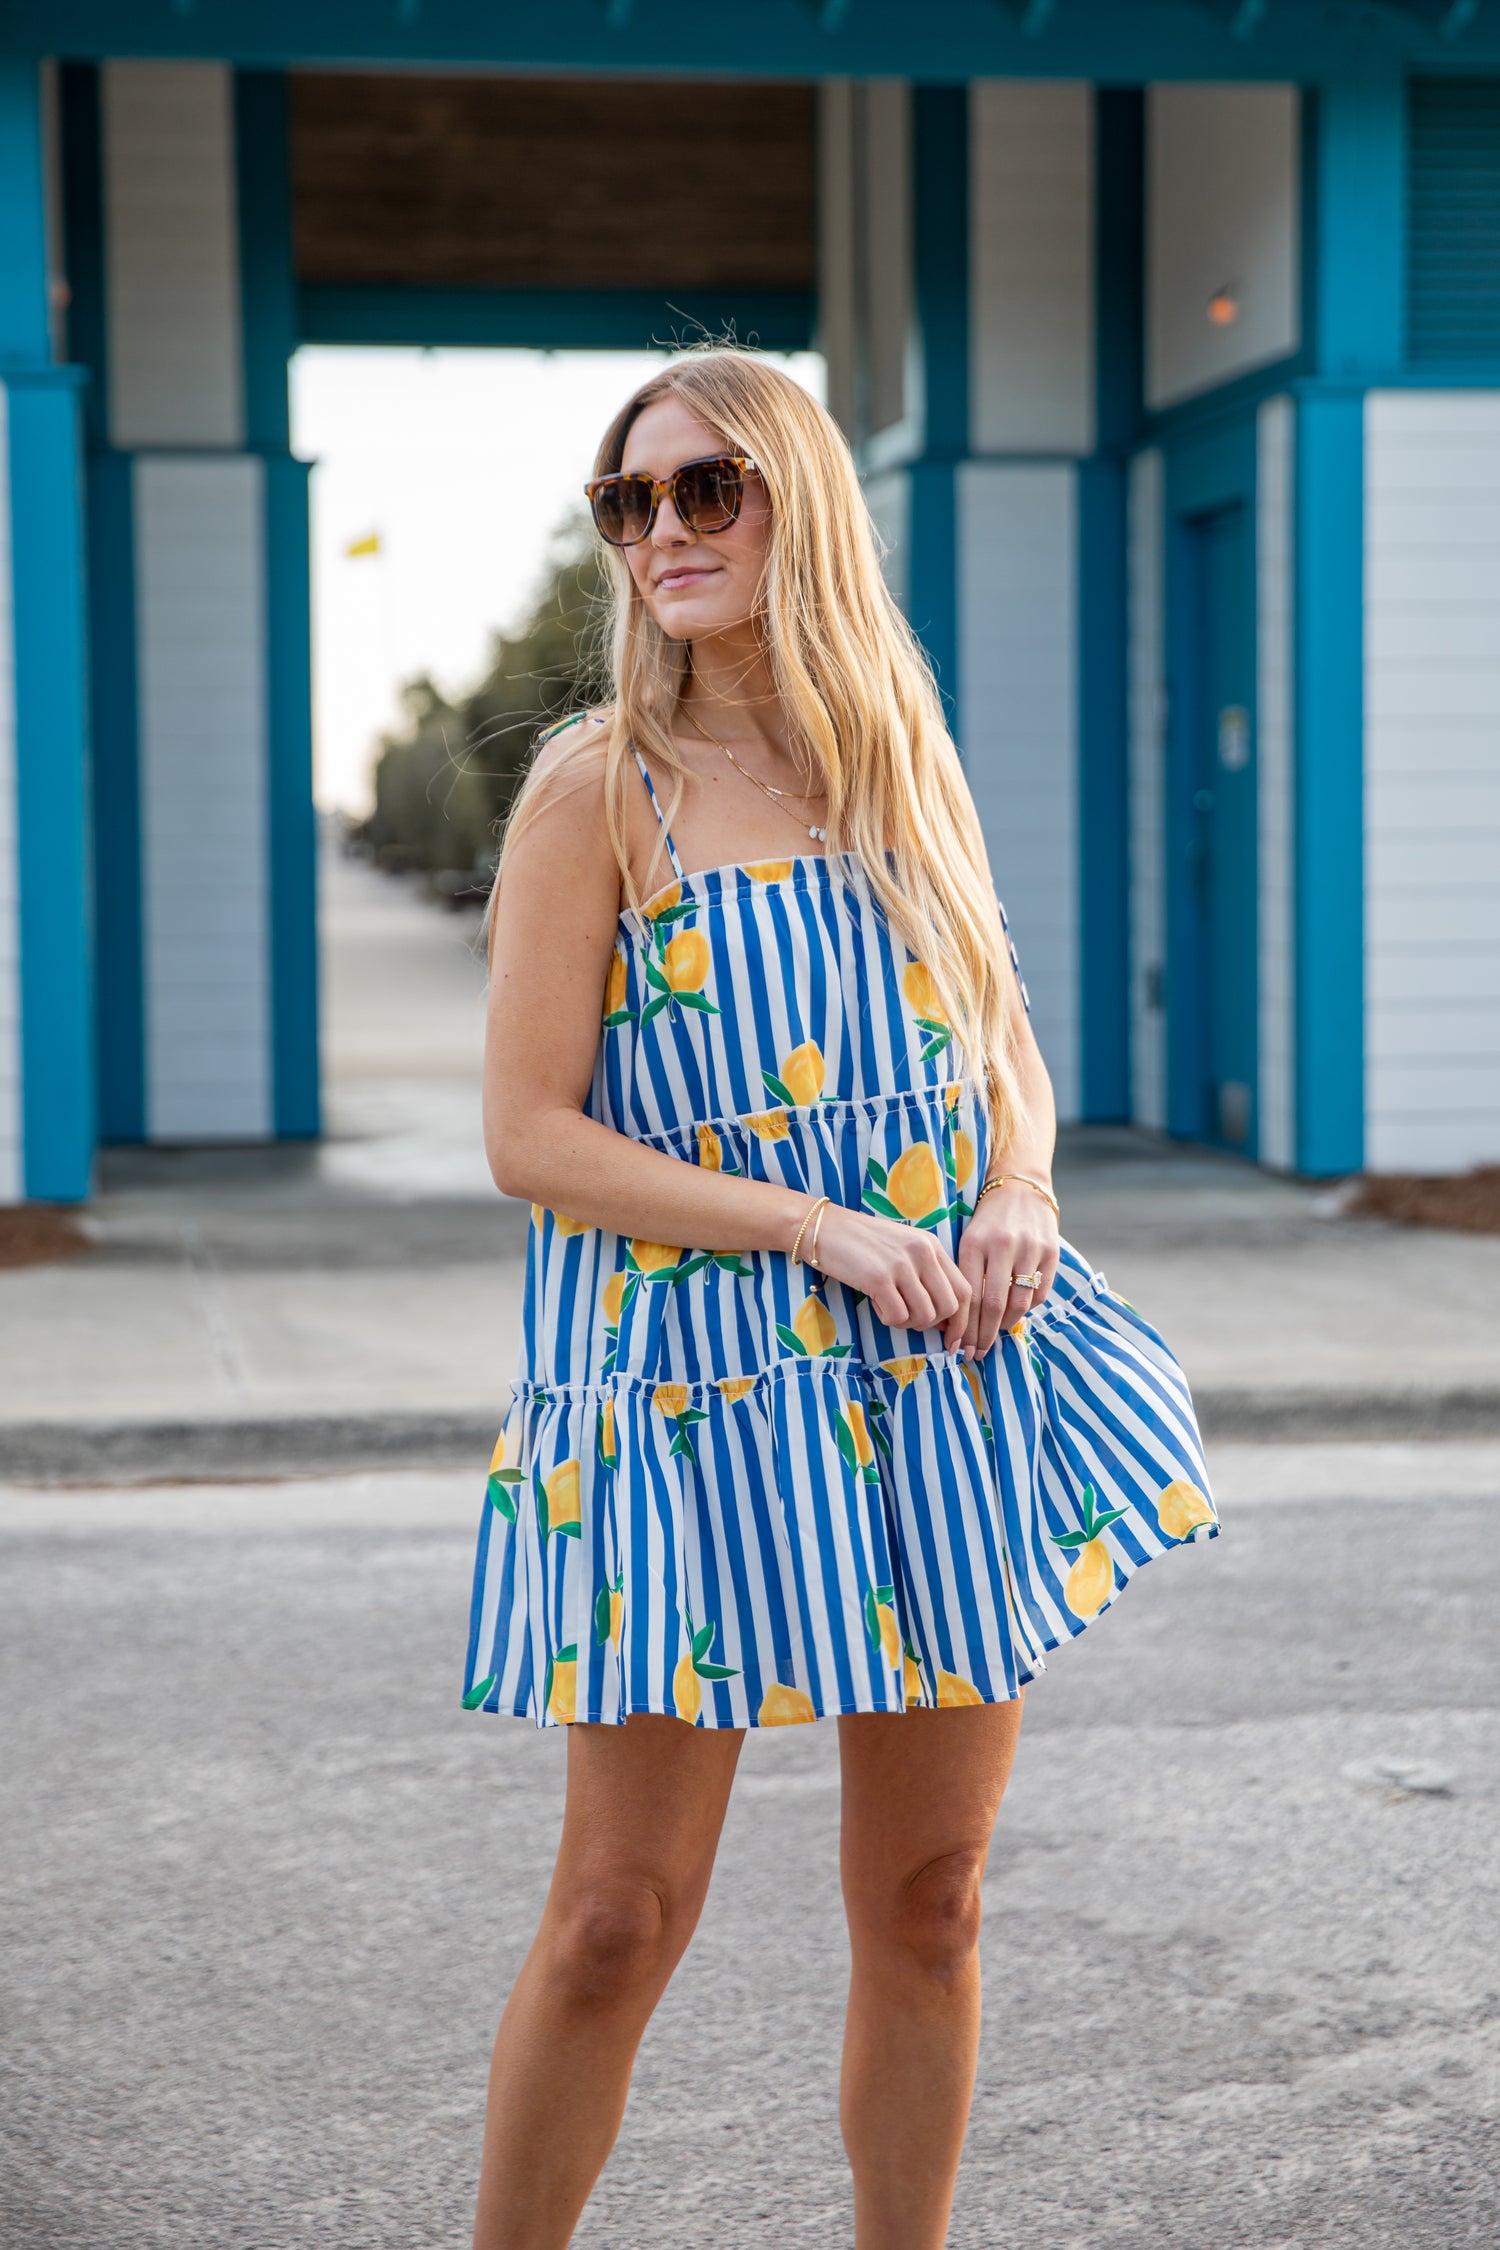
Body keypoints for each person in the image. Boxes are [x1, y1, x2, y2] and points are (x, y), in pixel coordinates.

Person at [463, 348, 1215, 2250]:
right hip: (682, 1395)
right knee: (619, 1911)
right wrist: (809, 1224)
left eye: (708, 488)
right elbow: (531, 1138)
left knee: (935, 1891)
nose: (665, 534)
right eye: (630, 502)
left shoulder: (897, 756)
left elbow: (1003, 1042)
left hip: (930, 1379)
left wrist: (1024, 1182)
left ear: (801, 498)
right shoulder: (594, 792)